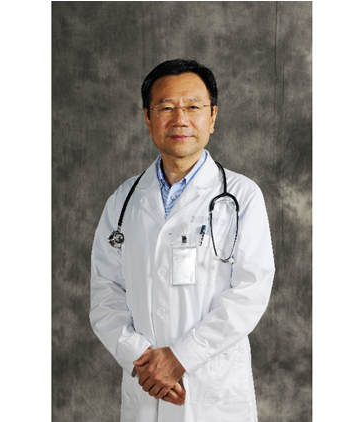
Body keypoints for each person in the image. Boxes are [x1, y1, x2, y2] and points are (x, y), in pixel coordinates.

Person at [89, 59, 275, 422]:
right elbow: (105, 292)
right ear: (148, 119)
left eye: (193, 107)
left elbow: (250, 292)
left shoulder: (241, 197)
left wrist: (180, 358)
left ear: (212, 116)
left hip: (211, 391)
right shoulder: (123, 201)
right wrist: (141, 359)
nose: (180, 119)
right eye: (165, 108)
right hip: (147, 388)